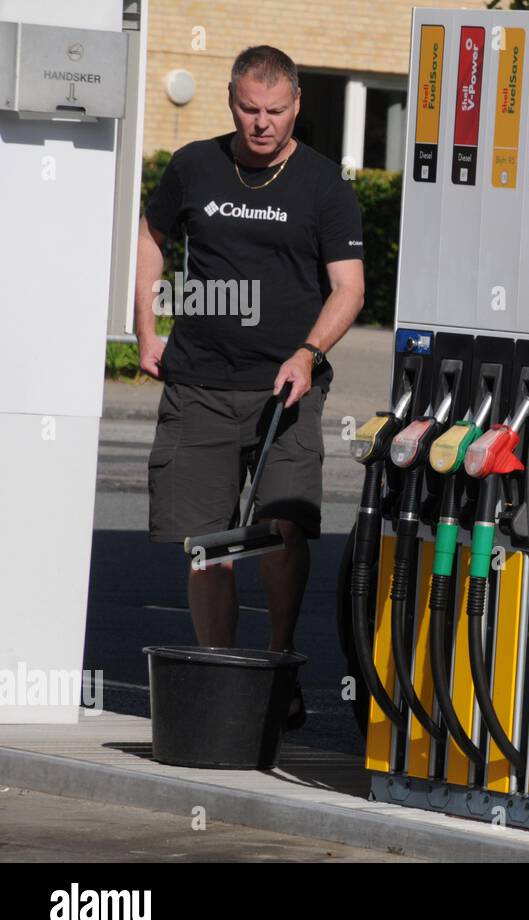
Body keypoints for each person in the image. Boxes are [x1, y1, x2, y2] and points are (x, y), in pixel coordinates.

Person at [134, 45, 365, 729]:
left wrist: (307, 352)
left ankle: (277, 663)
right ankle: (219, 681)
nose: (261, 123)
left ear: (297, 106)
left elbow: (349, 289)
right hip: (200, 381)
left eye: (275, 110)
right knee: (209, 542)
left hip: (284, 387)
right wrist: (146, 327)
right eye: (248, 109)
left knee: (281, 530)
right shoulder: (195, 166)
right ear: (231, 103)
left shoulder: (324, 185)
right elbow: (152, 233)